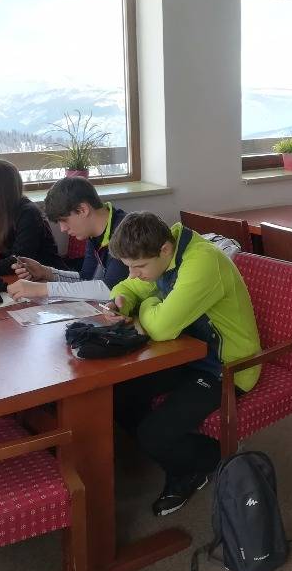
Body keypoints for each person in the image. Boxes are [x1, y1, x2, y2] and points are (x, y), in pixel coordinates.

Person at [107, 212, 261, 516]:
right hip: (189, 356)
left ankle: (212, 459)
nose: (134, 273)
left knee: (152, 435)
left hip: (228, 368)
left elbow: (161, 328)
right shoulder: (164, 254)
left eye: (139, 267)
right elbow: (129, 288)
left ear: (165, 250)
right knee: (118, 395)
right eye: (129, 267)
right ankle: (176, 451)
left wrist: (147, 305)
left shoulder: (201, 263)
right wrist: (120, 300)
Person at [6, 176, 129, 299]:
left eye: (64, 220)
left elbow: (110, 289)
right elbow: (86, 279)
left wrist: (43, 289)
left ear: (83, 210)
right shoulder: (94, 232)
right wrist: (46, 272)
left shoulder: (125, 231)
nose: (62, 229)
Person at [0, 159, 65, 276]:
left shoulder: (29, 213)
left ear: (7, 194)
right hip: (20, 278)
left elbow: (18, 261)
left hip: (48, 279)